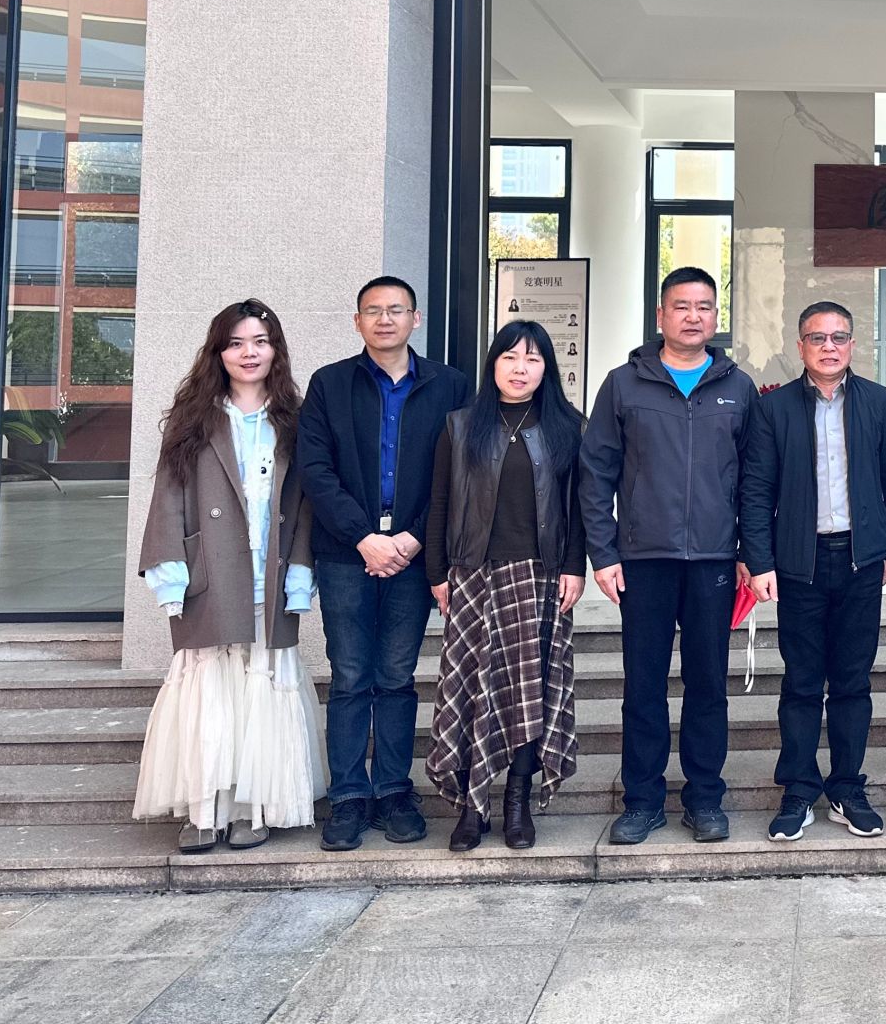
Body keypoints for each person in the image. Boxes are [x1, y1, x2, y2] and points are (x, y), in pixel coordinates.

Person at [134, 300, 326, 851]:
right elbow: (168, 496)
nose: (249, 353)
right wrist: (171, 573)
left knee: (262, 686)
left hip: (271, 570)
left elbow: (307, 504)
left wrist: (300, 572)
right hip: (210, 571)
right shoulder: (194, 417)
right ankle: (204, 809)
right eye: (237, 343)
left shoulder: (295, 420)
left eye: (260, 342)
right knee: (210, 693)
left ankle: (252, 807)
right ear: (219, 352)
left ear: (276, 350)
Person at [297, 277, 472, 852]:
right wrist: (365, 538)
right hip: (346, 553)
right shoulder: (329, 384)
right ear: (357, 322)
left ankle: (395, 790)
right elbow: (315, 469)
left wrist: (414, 538)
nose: (385, 319)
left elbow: (460, 472)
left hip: (415, 556)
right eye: (373, 311)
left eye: (396, 310)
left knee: (397, 676)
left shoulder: (450, 385)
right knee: (350, 675)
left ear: (415, 319)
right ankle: (349, 796)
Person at [580, 267, 753, 845]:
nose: (693, 316)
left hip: (713, 561)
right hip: (642, 559)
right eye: (682, 306)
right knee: (644, 685)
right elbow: (596, 472)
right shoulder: (624, 384)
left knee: (708, 685)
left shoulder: (737, 387)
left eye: (704, 307)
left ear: (716, 317)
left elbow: (754, 480)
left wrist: (750, 553)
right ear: (661, 315)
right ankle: (642, 801)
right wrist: (603, 553)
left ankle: (705, 798)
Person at [739, 302, 886, 841]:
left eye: (838, 337)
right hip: (799, 563)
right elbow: (756, 490)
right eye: (817, 338)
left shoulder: (879, 402)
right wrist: (759, 560)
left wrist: (884, 548)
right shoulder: (774, 408)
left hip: (860, 561)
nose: (829, 347)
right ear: (801, 346)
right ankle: (799, 790)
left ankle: (848, 788)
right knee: (803, 682)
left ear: (852, 344)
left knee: (853, 681)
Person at [424, 320, 586, 853]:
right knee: (472, 689)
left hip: (540, 576)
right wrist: (437, 572)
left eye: (533, 359)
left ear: (547, 369)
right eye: (511, 357)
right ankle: (472, 807)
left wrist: (574, 567)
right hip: (473, 573)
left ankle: (518, 799)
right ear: (493, 362)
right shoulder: (461, 425)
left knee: (527, 693)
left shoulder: (567, 426)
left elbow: (579, 507)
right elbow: (440, 502)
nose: (521, 369)